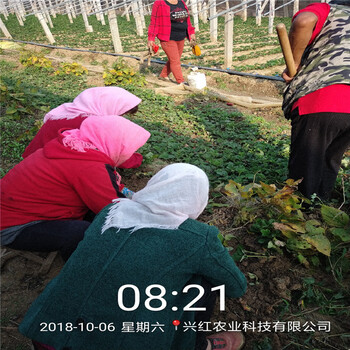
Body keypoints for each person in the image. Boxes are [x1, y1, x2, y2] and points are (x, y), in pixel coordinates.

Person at [18, 163, 247, 350]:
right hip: (113, 343)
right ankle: (196, 345)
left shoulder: (113, 211)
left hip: (45, 333)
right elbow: (236, 286)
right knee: (202, 282)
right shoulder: (199, 237)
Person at [0, 115, 150, 260]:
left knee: (94, 215)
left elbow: (110, 186)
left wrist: (134, 197)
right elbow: (113, 208)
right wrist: (146, 211)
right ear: (116, 144)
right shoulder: (89, 166)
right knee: (80, 232)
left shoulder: (73, 146)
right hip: (12, 226)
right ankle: (79, 270)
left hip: (15, 210)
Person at [282, 0, 350, 200]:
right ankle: (320, 210)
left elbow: (304, 20)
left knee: (306, 166)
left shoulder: (327, 10)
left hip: (322, 99)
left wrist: (294, 61)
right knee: (331, 160)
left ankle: (299, 218)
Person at [22, 87, 143, 169]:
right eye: (120, 113)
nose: (118, 117)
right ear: (110, 106)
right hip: (49, 167)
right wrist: (136, 159)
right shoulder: (90, 123)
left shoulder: (68, 111)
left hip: (33, 160)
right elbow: (110, 153)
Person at [148, 0, 196, 84]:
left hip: (181, 36)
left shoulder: (181, 2)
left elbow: (187, 20)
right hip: (167, 37)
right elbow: (154, 22)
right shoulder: (159, 3)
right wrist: (151, 38)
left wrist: (191, 33)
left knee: (174, 59)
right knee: (175, 61)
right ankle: (181, 81)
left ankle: (163, 75)